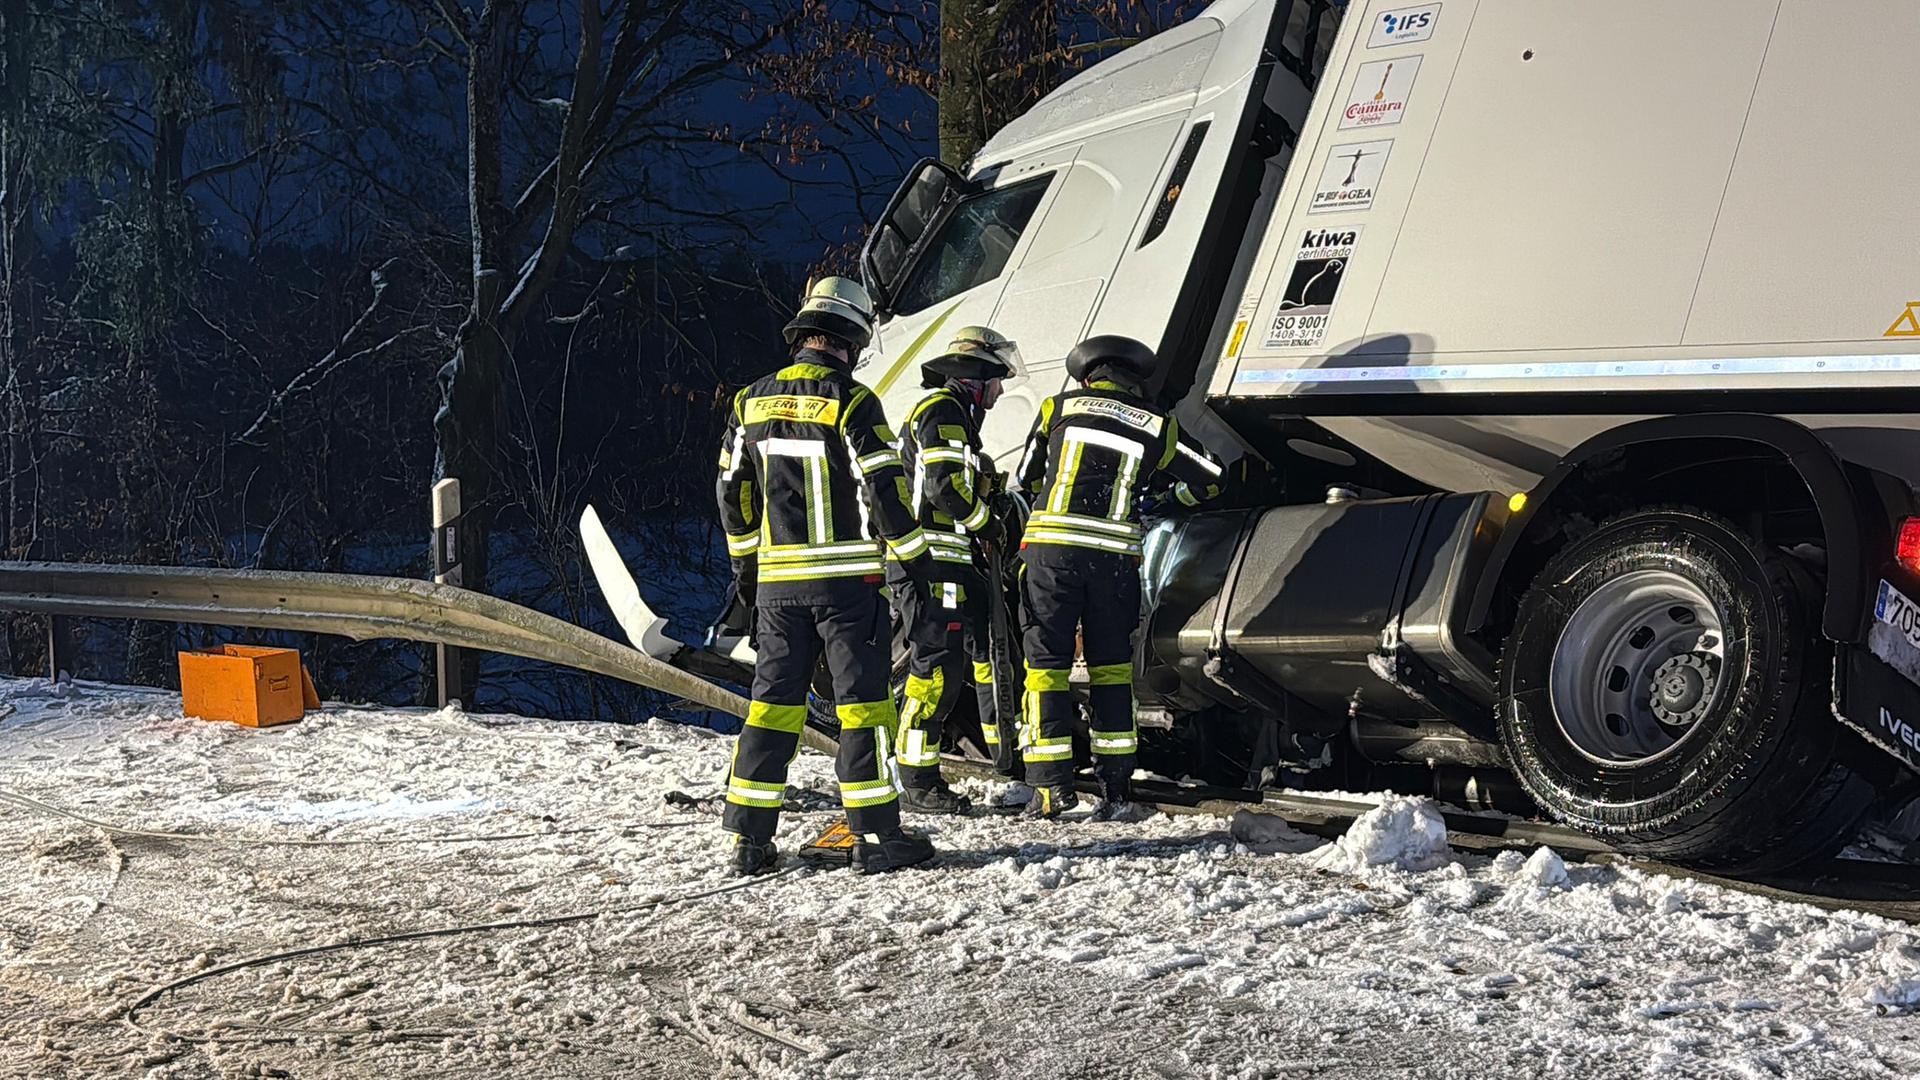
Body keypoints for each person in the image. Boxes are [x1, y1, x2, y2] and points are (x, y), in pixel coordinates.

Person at [714, 276, 938, 875]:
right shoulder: (855, 402)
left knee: (772, 707)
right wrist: (916, 562)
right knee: (863, 708)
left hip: (778, 590)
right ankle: (875, 836)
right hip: (847, 590)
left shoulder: (748, 401)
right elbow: (885, 491)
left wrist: (747, 574)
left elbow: (732, 495)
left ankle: (750, 841)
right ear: (853, 340)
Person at [1011, 334, 1225, 819]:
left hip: (1051, 556)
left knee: (1046, 669)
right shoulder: (1158, 426)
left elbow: (1025, 478)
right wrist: (1165, 501)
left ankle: (1049, 788)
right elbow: (1213, 477)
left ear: (1088, 376)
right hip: (1112, 563)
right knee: (1110, 670)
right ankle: (1116, 785)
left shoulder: (1055, 408)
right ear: (1135, 381)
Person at [891, 326, 1021, 814]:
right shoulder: (943, 413)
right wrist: (989, 523)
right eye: (996, 381)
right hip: (929, 564)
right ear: (976, 379)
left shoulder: (956, 419)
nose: (1001, 391)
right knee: (935, 670)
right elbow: (945, 489)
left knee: (988, 652)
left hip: (952, 562)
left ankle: (1004, 756)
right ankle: (918, 779)